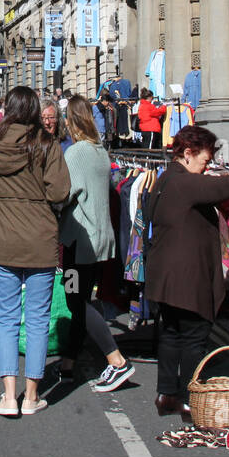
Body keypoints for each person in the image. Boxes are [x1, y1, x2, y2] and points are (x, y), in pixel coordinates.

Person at [145, 125, 229, 419]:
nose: (206, 169)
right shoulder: (184, 183)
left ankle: (166, 393)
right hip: (185, 278)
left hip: (165, 277)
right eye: (205, 161)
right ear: (188, 153)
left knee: (171, 334)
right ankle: (187, 397)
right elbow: (224, 188)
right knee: (194, 338)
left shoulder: (165, 180)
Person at [0, 86, 71, 417]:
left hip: (2, 235)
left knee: (6, 318)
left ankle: (8, 396)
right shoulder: (45, 143)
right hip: (39, 236)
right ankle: (32, 396)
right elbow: (60, 190)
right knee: (36, 318)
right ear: (34, 110)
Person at [57, 96, 135, 392]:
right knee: (81, 301)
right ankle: (68, 363)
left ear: (72, 121)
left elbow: (65, 195)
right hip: (100, 240)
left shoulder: (76, 153)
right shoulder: (101, 151)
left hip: (80, 243)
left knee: (76, 302)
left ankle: (117, 361)